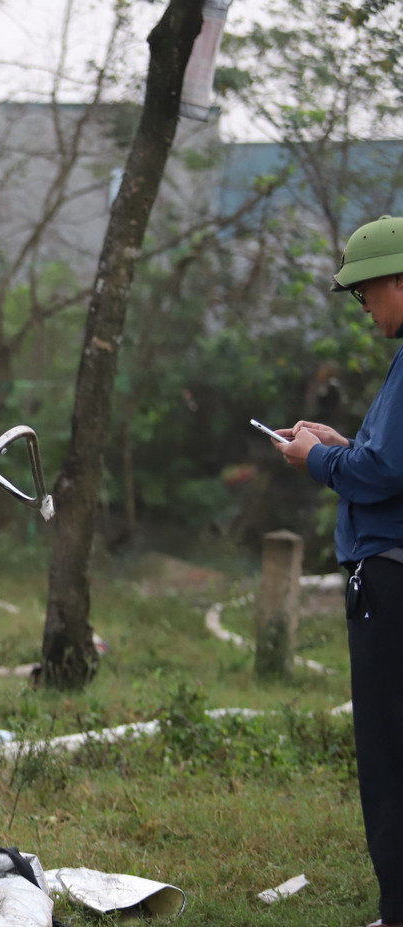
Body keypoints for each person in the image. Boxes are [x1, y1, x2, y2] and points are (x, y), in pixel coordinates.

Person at [275, 214, 403, 927]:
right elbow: (387, 457)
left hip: (391, 576)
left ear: (400, 281)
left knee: (387, 748)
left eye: (366, 293)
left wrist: (317, 459)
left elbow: (385, 468)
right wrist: (342, 444)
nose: (364, 307)